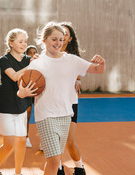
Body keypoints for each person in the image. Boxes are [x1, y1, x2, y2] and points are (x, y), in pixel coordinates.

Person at [17, 22, 106, 175]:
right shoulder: (36, 64)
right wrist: (23, 93)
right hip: (45, 116)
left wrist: (102, 63)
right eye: (54, 39)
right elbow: (20, 91)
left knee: (55, 160)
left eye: (60, 39)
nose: (58, 43)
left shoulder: (71, 60)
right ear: (44, 40)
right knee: (53, 160)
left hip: (65, 115)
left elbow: (97, 70)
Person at [0, 28, 37, 175]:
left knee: (22, 141)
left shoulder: (28, 60)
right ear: (11, 43)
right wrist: (32, 65)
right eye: (20, 41)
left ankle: (18, 173)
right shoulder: (4, 60)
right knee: (9, 144)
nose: (24, 44)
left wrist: (39, 61)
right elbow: (15, 76)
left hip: (21, 102)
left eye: (25, 41)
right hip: (5, 104)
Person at [59, 22, 86, 175]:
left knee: (69, 141)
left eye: (66, 34)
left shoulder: (73, 58)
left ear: (70, 39)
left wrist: (77, 79)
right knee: (56, 143)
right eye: (60, 32)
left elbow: (78, 73)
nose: (62, 36)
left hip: (70, 102)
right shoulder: (48, 55)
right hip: (52, 103)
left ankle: (80, 168)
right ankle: (57, 168)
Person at [24, 45, 39, 148]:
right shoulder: (24, 64)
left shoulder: (40, 63)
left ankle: (44, 140)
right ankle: (25, 137)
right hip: (28, 91)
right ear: (26, 54)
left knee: (41, 116)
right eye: (30, 53)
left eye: (34, 53)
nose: (32, 55)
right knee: (27, 115)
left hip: (38, 90)